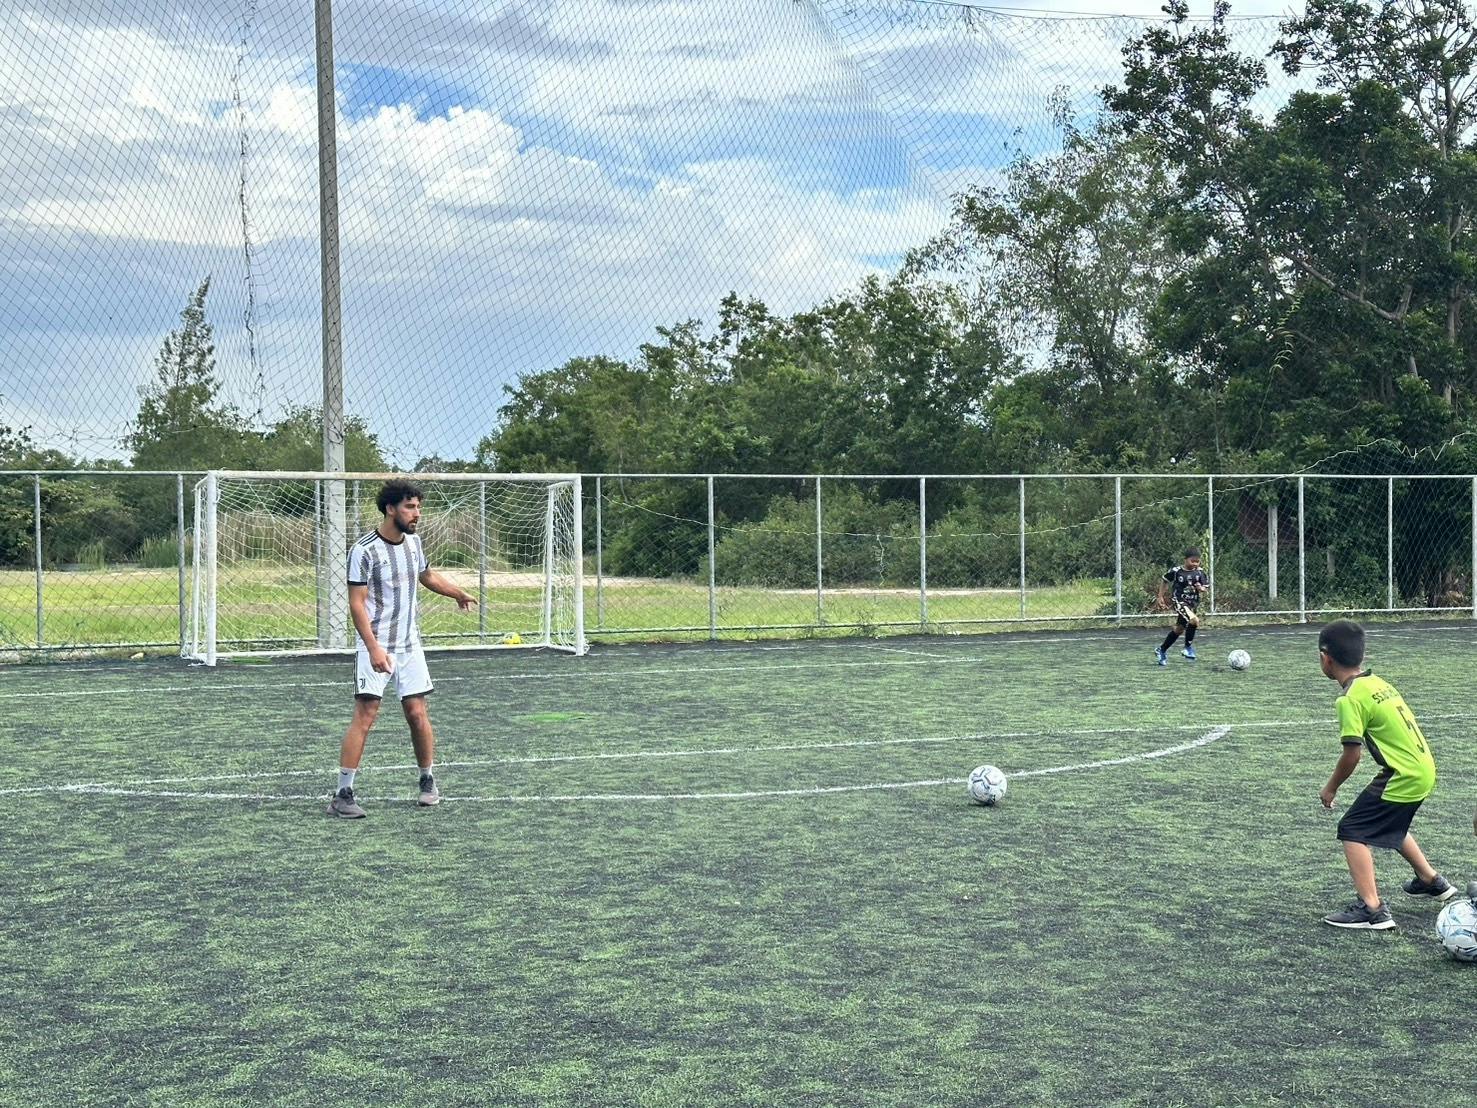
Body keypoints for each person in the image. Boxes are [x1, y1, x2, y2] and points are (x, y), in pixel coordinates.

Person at [327, 479, 475, 818]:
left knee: (417, 713)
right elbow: (356, 604)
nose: (417, 514)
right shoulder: (363, 550)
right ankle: (342, 793)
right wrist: (374, 648)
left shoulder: (414, 543)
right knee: (366, 714)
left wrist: (457, 593)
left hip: (410, 646)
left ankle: (427, 781)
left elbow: (427, 575)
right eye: (410, 506)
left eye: (419, 507)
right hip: (376, 645)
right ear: (390, 508)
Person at [1316, 619, 1455, 929]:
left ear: (1326, 658)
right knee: (1391, 821)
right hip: (1422, 768)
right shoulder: (1378, 683)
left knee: (1353, 829)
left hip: (1402, 774)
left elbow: (1352, 754)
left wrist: (1331, 788)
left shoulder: (1350, 698)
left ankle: (1372, 908)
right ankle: (1432, 881)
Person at [1155, 547, 1208, 665]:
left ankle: (1161, 650)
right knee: (1194, 621)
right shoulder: (1176, 571)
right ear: (1185, 559)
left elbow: (1205, 587)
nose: (1195, 563)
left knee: (1179, 630)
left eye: (1197, 561)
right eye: (1192, 561)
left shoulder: (1200, 572)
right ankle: (1187, 648)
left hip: (1192, 603)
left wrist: (1200, 588)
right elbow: (1164, 580)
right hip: (1179, 601)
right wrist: (1160, 596)